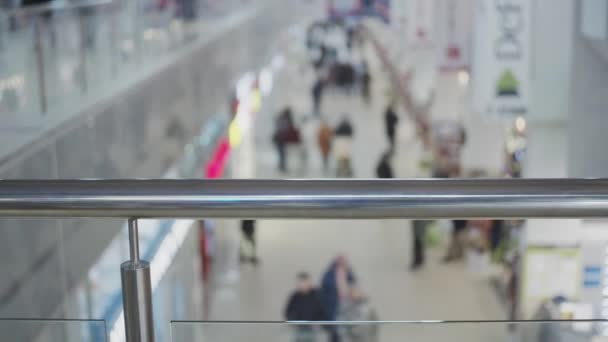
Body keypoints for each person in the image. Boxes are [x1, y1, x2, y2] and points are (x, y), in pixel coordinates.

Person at [320, 256, 356, 342]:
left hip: (347, 308)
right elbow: (324, 292)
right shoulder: (329, 275)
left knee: (347, 334)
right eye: (340, 263)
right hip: (333, 308)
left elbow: (354, 287)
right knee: (334, 334)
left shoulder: (349, 274)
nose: (342, 265)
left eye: (344, 263)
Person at [284, 272, 325, 342]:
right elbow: (288, 311)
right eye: (300, 283)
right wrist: (292, 321)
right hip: (299, 329)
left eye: (304, 282)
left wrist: (318, 322)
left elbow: (323, 310)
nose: (302, 285)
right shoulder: (294, 296)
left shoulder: (318, 295)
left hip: (313, 329)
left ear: (309, 282)